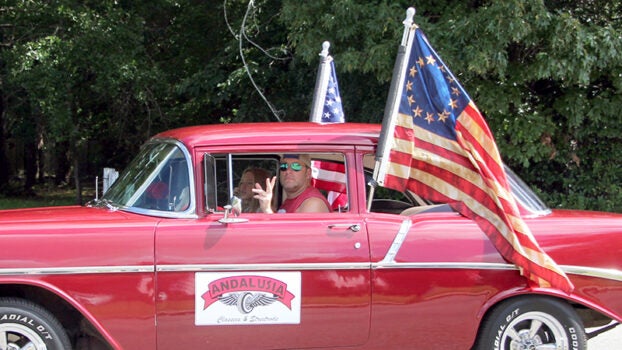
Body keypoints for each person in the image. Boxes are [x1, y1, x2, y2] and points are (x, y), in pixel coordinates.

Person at [254, 154, 330, 213]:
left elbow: (295, 233)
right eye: (284, 166)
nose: (288, 171)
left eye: (296, 166)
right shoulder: (290, 200)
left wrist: (267, 210)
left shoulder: (313, 203)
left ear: (308, 173)